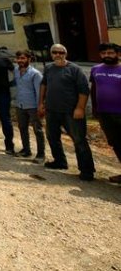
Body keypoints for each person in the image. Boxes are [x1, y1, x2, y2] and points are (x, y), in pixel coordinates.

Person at [39, 44, 95, 181]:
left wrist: (80, 108)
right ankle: (60, 161)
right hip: (52, 110)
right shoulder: (48, 68)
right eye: (55, 52)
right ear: (51, 54)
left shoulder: (75, 69)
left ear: (66, 53)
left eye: (61, 52)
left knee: (79, 140)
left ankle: (87, 170)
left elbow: (84, 90)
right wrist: (41, 103)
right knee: (52, 137)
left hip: (71, 112)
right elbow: (44, 85)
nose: (58, 55)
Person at [90, 43, 121, 184]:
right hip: (104, 114)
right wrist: (94, 108)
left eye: (110, 53)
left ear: (118, 54)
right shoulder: (95, 69)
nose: (107, 56)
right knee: (115, 143)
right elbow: (94, 89)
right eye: (103, 53)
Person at [13, 50, 45, 162]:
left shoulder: (35, 74)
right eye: (18, 58)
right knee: (22, 128)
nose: (20, 61)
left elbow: (39, 92)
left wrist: (40, 107)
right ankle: (26, 150)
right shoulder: (16, 71)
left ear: (29, 59)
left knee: (37, 130)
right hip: (20, 105)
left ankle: (41, 154)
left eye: (23, 58)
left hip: (33, 106)